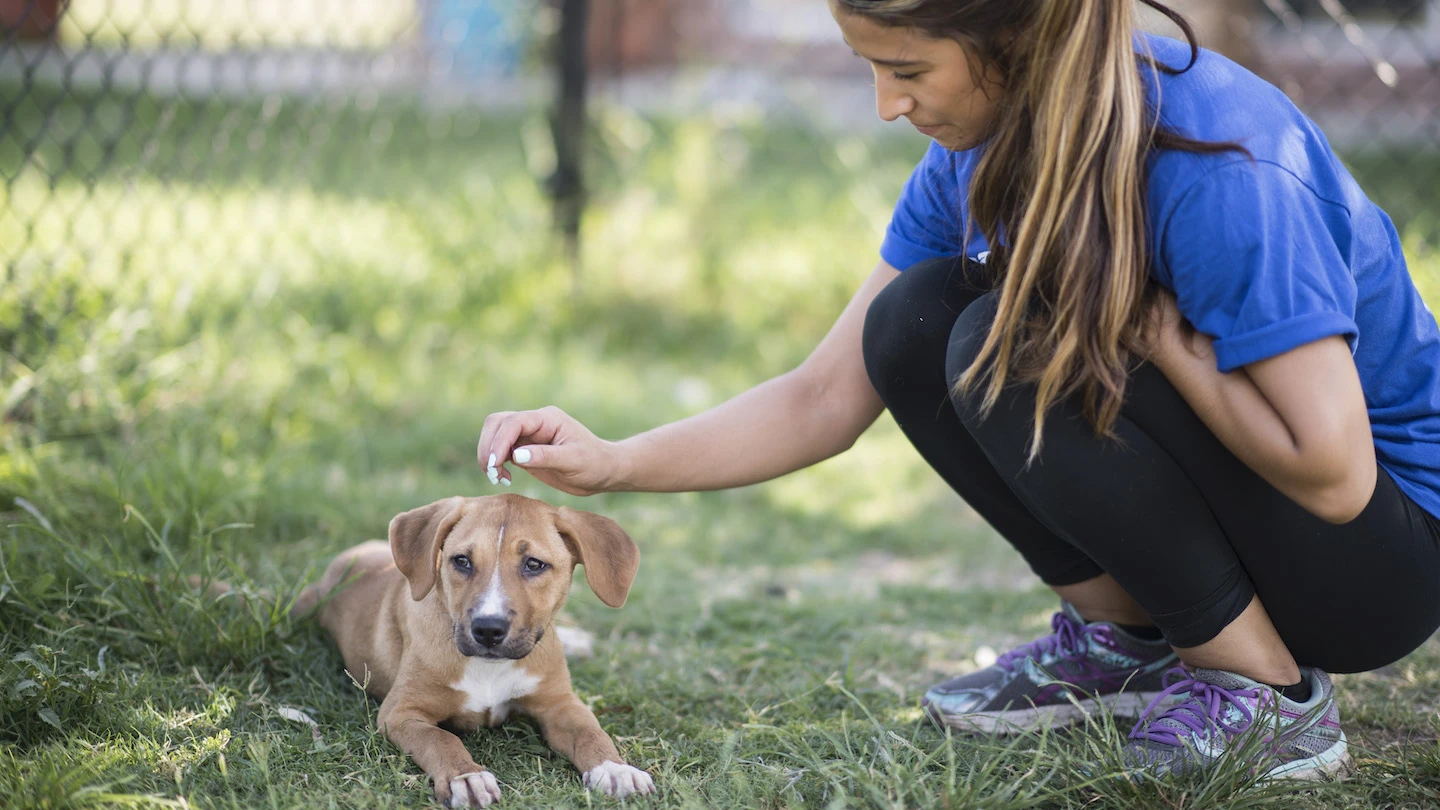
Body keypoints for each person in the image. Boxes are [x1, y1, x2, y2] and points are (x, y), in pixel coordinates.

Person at [478, 0, 1440, 780]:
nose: (884, 106)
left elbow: (1336, 475)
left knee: (1005, 334)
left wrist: (1164, 341)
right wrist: (614, 462)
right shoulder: (978, 155)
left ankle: (1266, 697)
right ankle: (1132, 645)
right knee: (916, 321)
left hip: (1374, 563)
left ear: (1018, 41)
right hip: (1284, 523)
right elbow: (824, 396)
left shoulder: (1222, 165)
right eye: (871, 67)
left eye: (905, 71)